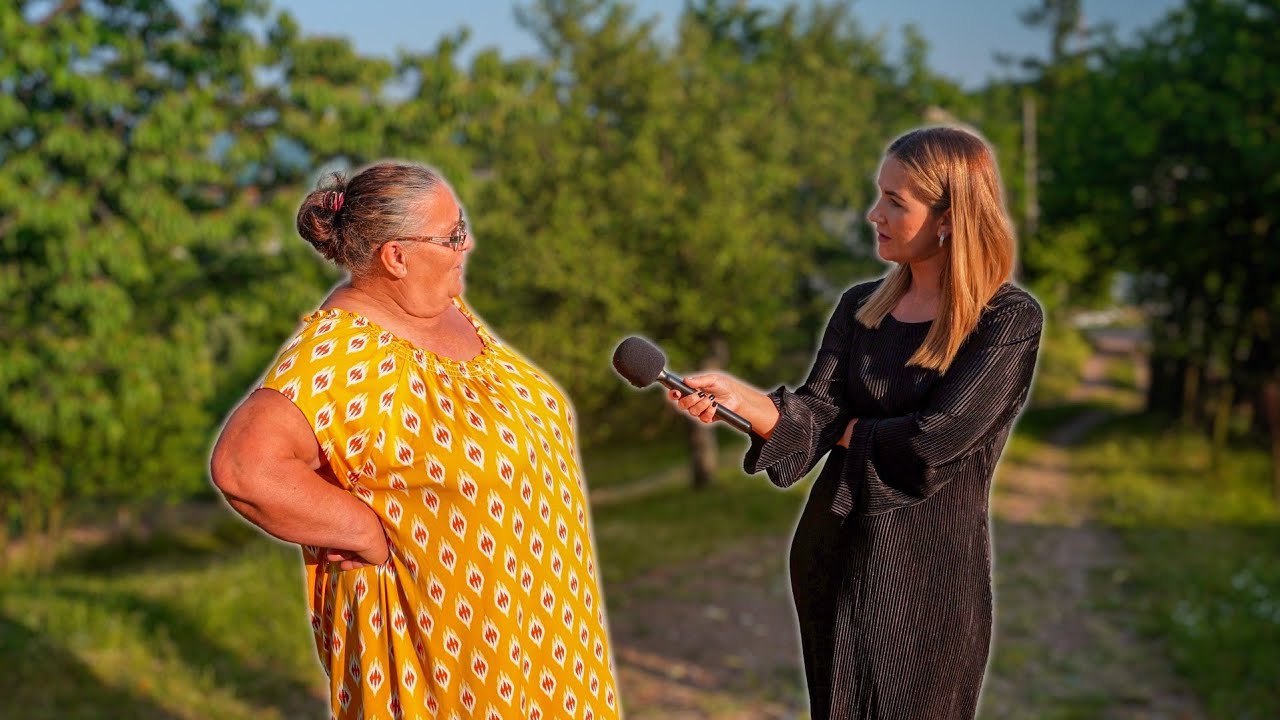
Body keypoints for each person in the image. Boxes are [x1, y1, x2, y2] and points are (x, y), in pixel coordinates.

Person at [210, 162, 620, 720]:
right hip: (448, 656)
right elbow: (244, 466)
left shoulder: (443, 311)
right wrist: (361, 530)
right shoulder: (340, 355)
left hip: (543, 632)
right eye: (452, 235)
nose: (467, 243)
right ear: (397, 257)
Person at [668, 126, 1043, 719]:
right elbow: (815, 410)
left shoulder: (1006, 320)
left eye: (897, 201)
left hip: (925, 584)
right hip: (831, 555)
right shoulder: (860, 306)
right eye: (880, 195)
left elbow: (932, 441)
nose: (874, 214)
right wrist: (742, 400)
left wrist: (838, 429)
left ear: (950, 218)